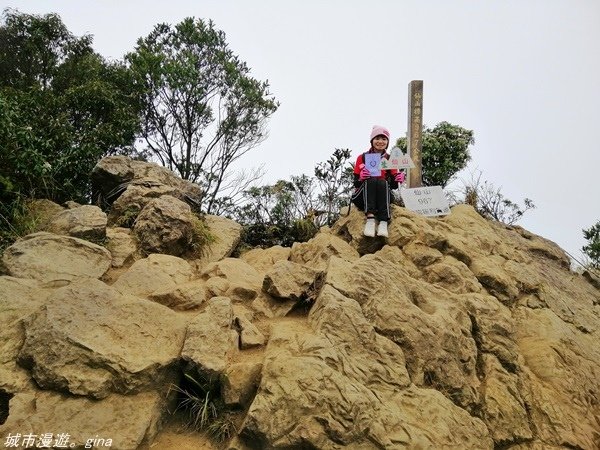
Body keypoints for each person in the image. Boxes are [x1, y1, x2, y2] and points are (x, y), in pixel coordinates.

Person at [351, 125, 405, 237]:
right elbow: (355, 182)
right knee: (371, 179)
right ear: (372, 140)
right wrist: (361, 177)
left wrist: (399, 178)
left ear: (387, 142)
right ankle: (370, 220)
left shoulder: (390, 159)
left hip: (382, 195)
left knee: (382, 181)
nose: (380, 141)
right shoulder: (362, 157)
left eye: (384, 139)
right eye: (377, 138)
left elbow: (394, 186)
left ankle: (383, 222)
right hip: (363, 197)